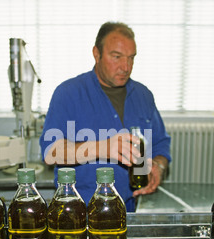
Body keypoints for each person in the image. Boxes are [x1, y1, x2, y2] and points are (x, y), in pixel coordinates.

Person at [39, 21, 171, 212]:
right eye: (116, 57)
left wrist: (158, 166)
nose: (125, 67)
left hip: (132, 208)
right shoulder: (67, 93)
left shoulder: (144, 95)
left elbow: (161, 144)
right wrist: (102, 147)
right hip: (80, 211)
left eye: (131, 58)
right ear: (96, 53)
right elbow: (51, 153)